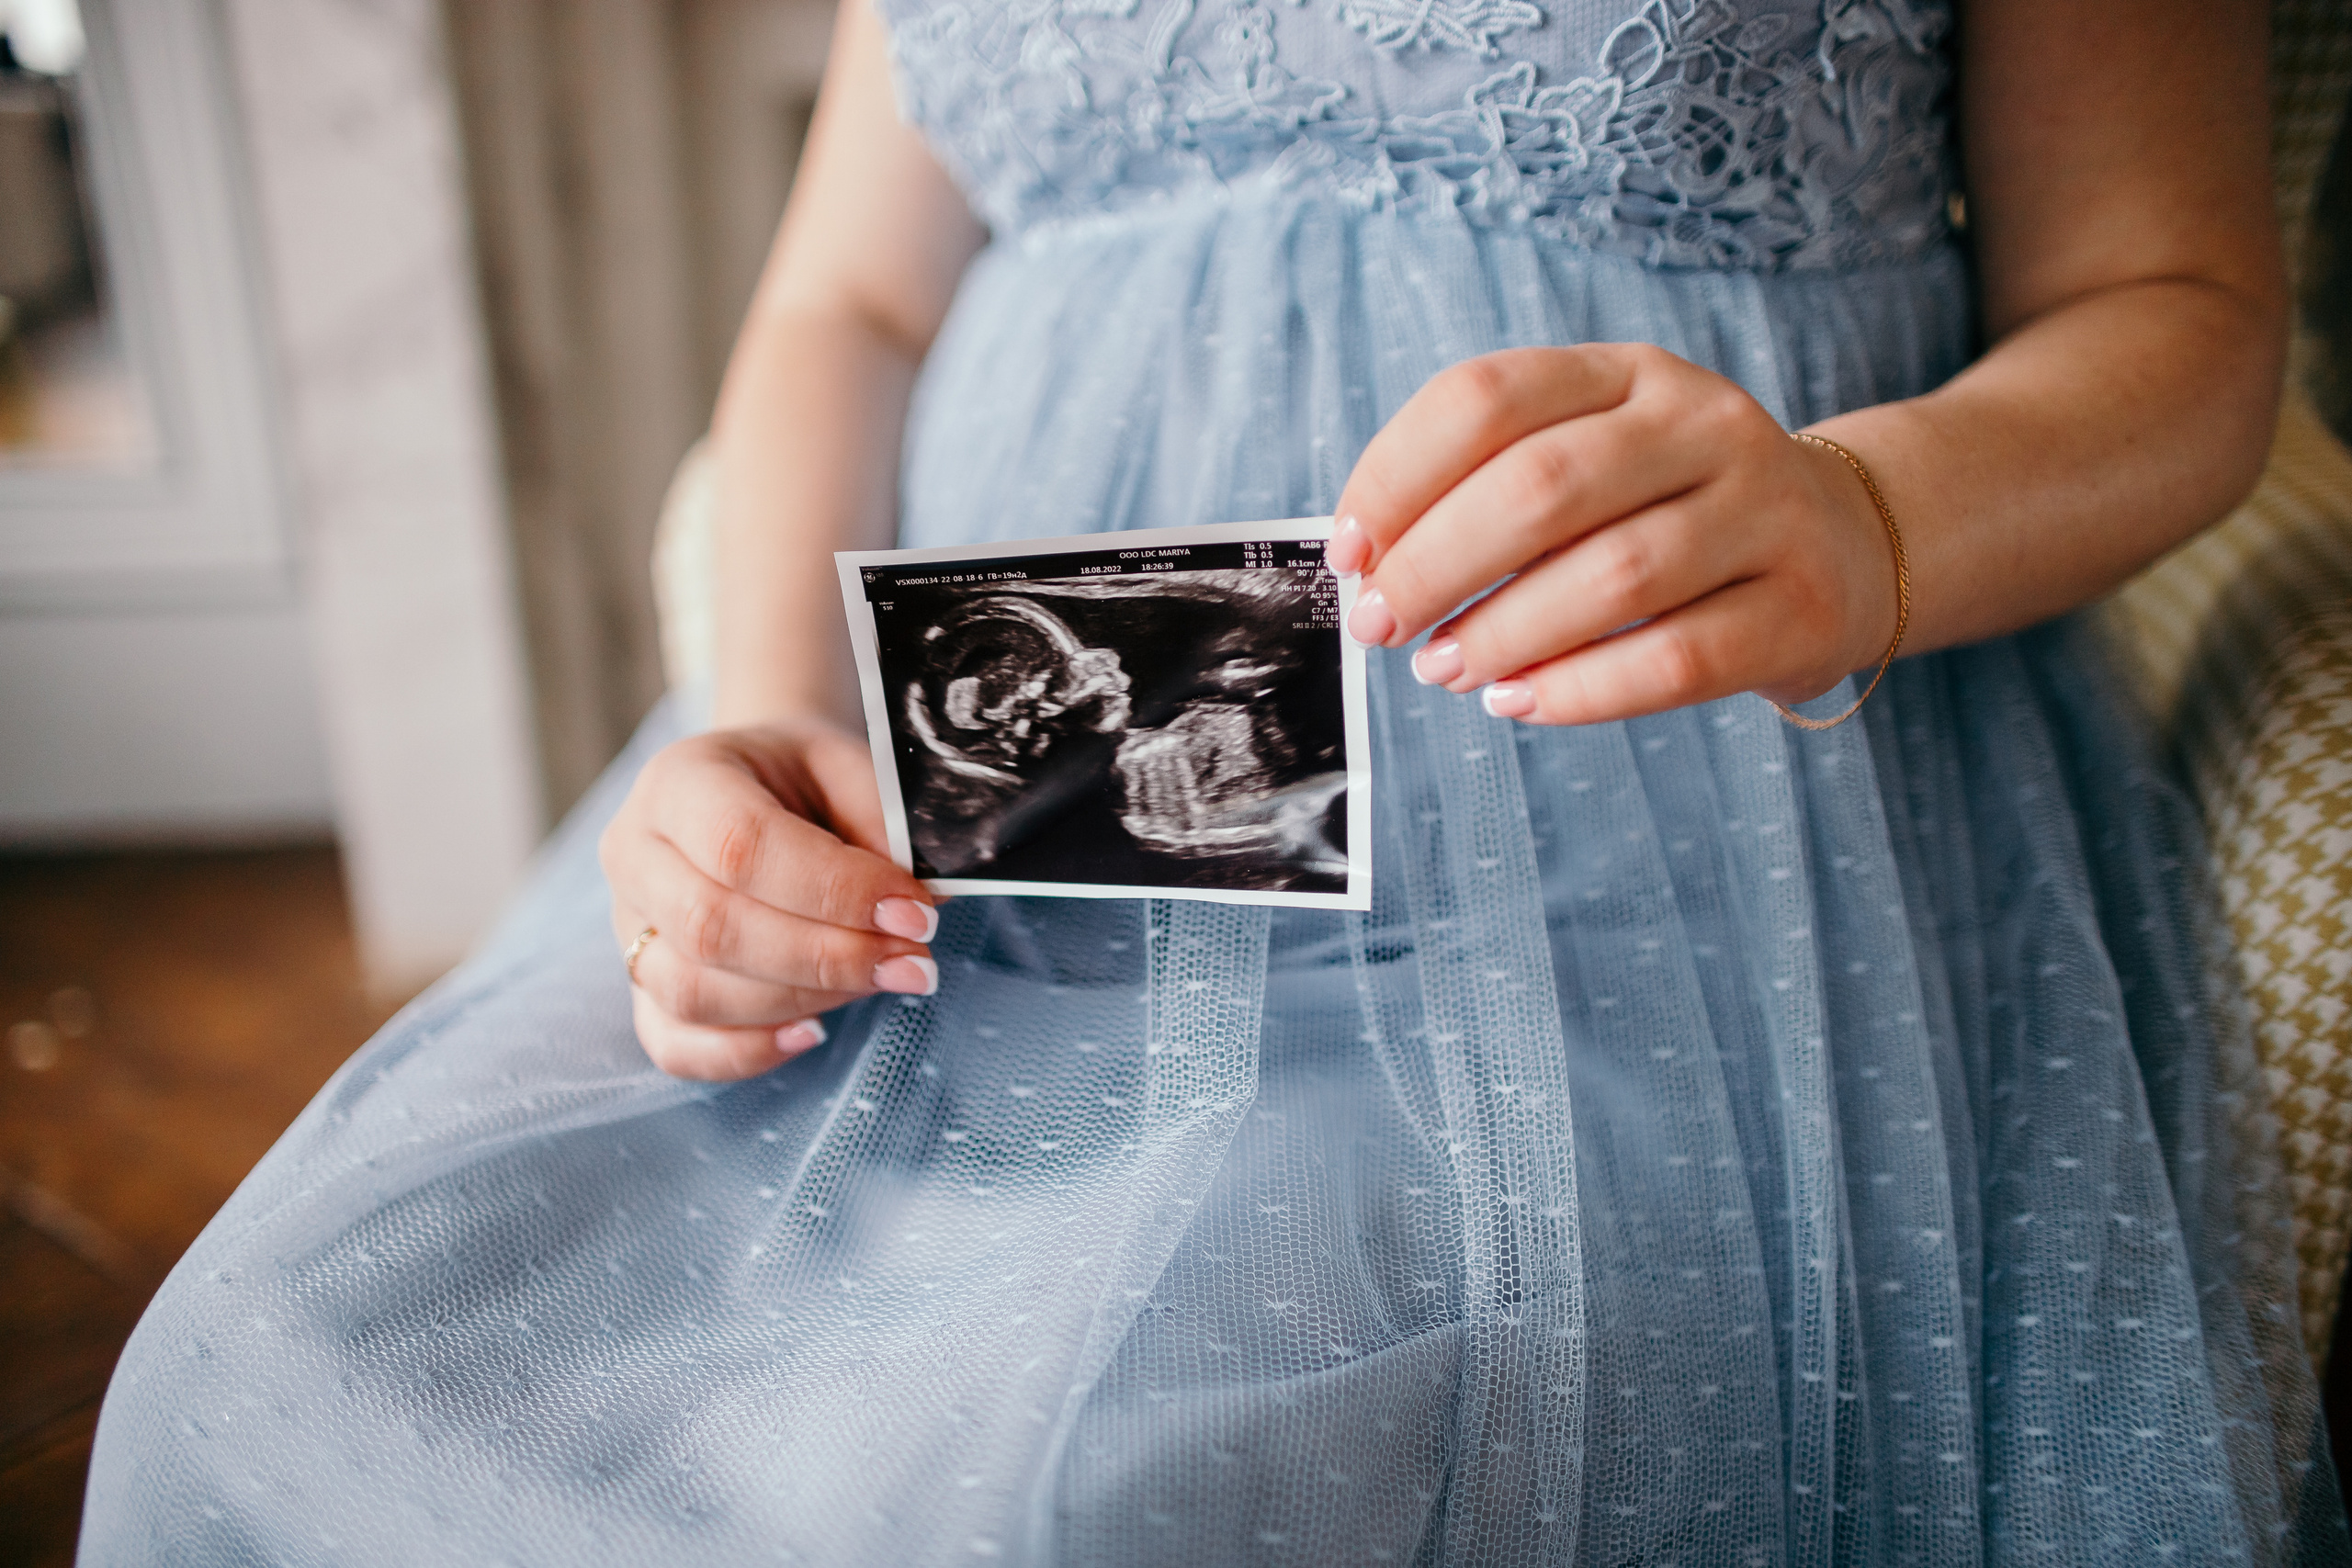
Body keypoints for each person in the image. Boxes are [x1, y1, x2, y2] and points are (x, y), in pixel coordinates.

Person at [81, 0, 2346, 1562]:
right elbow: (840, 310)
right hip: (962, 867)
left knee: (1097, 1485)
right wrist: (762, 730)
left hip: (1639, 874)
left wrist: (1865, 516)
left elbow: (2174, 306)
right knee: (273, 1363)